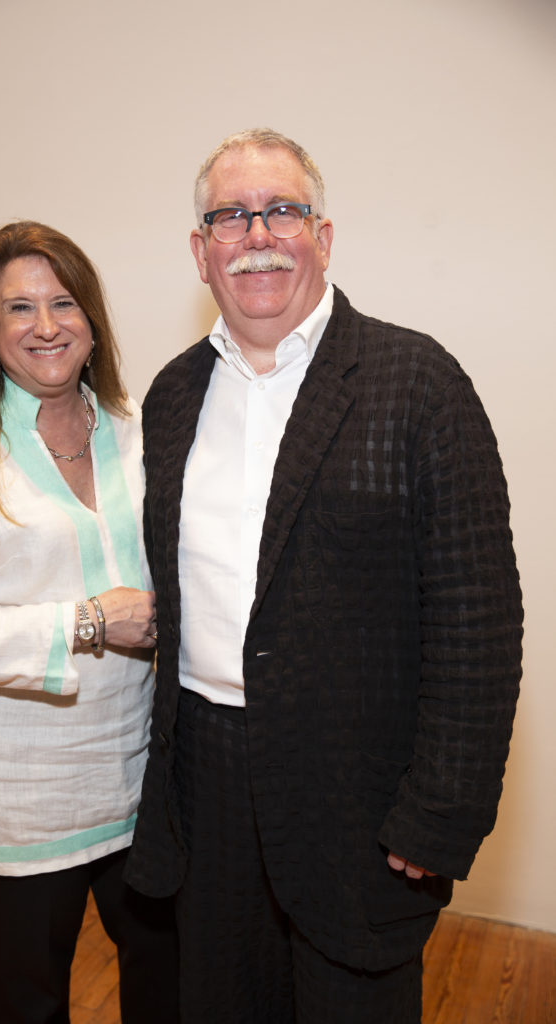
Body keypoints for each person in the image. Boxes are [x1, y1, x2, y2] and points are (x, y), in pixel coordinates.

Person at [125, 129, 523, 1023]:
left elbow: (477, 622)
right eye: (229, 216)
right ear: (199, 250)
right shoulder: (173, 395)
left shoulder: (417, 383)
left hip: (358, 792)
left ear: (324, 236)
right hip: (206, 787)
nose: (256, 235)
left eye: (283, 210)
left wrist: (440, 812)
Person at [0, 221, 178, 1024]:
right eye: (18, 308)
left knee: (171, 984)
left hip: (141, 770)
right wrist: (85, 622)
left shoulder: (138, 431)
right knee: (26, 1001)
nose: (45, 325)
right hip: (22, 791)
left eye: (63, 303)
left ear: (92, 320)